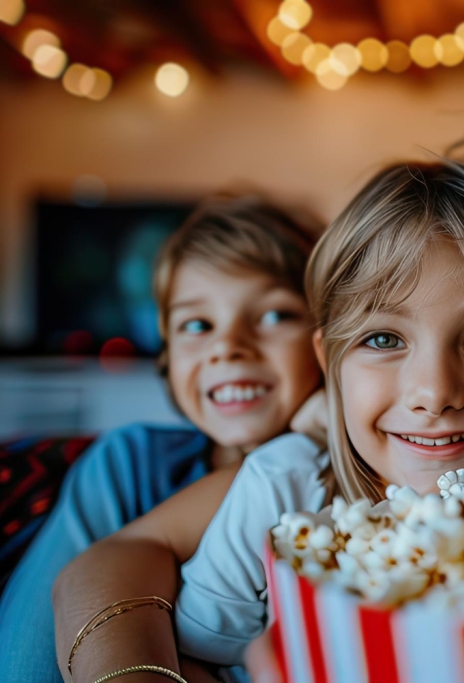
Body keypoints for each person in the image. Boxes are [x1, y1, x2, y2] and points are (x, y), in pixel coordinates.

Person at [51, 162, 464, 681]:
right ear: (328, 364)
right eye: (383, 339)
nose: (434, 393)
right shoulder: (282, 491)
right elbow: (189, 653)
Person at [0, 196, 324, 683]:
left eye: (275, 315)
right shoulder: (129, 462)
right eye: (197, 325)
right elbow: (26, 668)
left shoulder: (362, 480)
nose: (227, 346)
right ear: (168, 358)